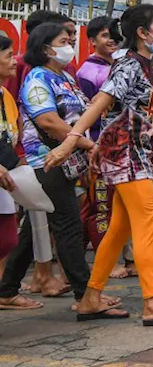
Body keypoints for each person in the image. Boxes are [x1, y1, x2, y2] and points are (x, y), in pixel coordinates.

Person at [48, 4, 153, 326]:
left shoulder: (147, 65)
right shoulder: (128, 65)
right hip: (128, 154)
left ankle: (90, 298)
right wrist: (70, 141)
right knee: (148, 219)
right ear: (143, 33)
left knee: (119, 229)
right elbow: (101, 102)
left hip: (138, 153)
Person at [0, 23, 93, 310]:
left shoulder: (64, 77)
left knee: (32, 231)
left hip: (65, 162)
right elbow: (48, 121)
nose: (70, 46)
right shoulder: (39, 79)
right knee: (68, 226)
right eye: (64, 40)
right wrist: (87, 145)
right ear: (46, 49)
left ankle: (6, 289)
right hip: (47, 162)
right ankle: (86, 295)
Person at [77, 16, 118, 265]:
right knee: (100, 206)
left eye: (114, 34)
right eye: (104, 35)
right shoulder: (88, 71)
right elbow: (84, 115)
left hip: (119, 148)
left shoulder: (121, 65)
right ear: (92, 40)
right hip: (97, 148)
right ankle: (105, 261)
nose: (111, 39)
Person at [0, 35, 23, 273]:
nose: (15, 61)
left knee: (7, 239)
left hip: (5, 176)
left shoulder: (6, 96)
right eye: (8, 56)